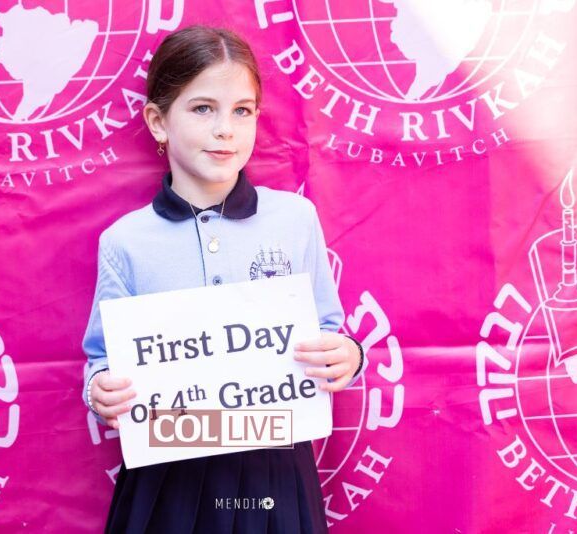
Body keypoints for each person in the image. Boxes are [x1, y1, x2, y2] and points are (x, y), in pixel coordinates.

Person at [82, 25, 367, 534]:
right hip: (166, 478)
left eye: (242, 111)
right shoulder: (125, 241)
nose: (225, 130)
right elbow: (103, 361)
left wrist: (348, 355)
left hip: (274, 469)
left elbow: (328, 329)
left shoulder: (295, 219)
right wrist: (100, 390)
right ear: (158, 122)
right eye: (202, 108)